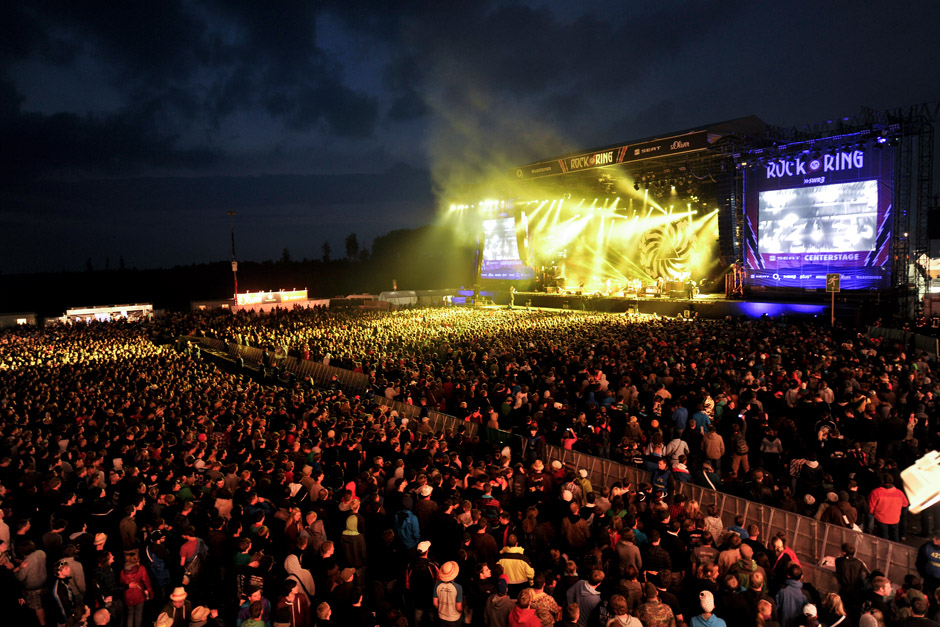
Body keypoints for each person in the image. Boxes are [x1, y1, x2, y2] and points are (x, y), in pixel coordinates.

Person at [869, 474, 910, 542]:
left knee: (883, 539)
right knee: (895, 538)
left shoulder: (876, 492)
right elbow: (905, 504)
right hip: (895, 519)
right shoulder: (899, 493)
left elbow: (871, 508)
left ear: (882, 481)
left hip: (881, 519)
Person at [434, 561, 464, 627]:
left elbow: (435, 603)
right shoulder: (458, 587)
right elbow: (459, 607)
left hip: (441, 617)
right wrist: (462, 611)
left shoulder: (437, 585)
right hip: (454, 619)